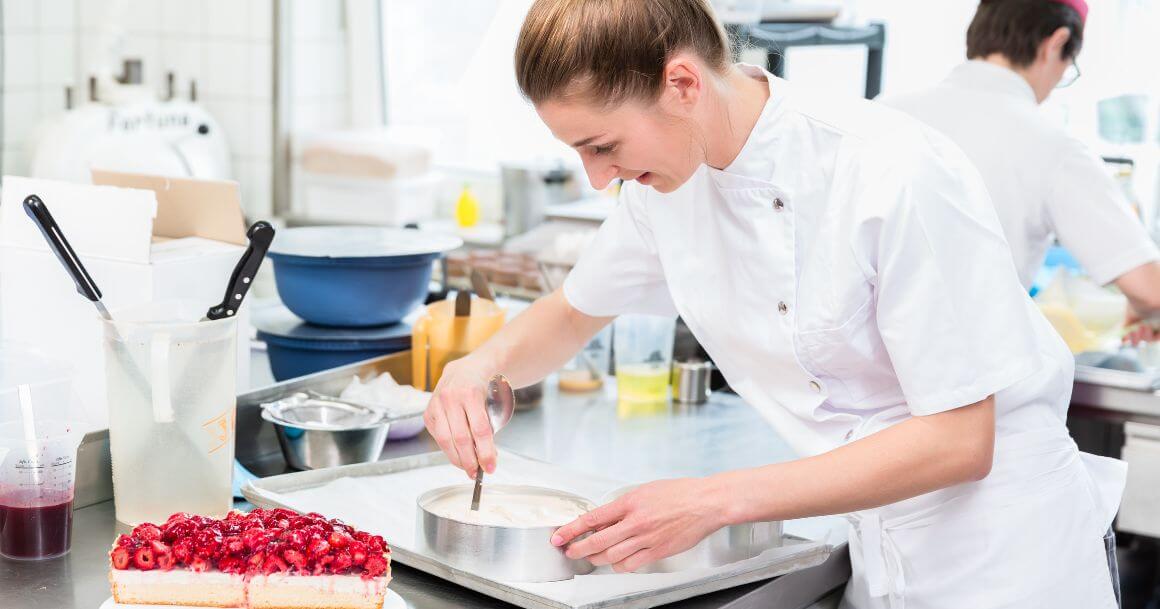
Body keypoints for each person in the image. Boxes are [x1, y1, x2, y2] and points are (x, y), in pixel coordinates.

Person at [423, 1, 1124, 606]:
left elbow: (960, 439)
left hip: (1009, 563)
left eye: (602, 145)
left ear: (683, 84)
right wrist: (478, 366)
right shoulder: (665, 186)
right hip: (876, 556)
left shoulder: (888, 167)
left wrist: (709, 499)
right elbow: (574, 312)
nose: (598, 176)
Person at [882, 0, 1160, 345]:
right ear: (1056, 43)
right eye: (1068, 68)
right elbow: (1151, 291)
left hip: (855, 384)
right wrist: (1147, 311)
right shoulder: (1052, 146)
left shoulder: (882, 112)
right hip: (973, 383)